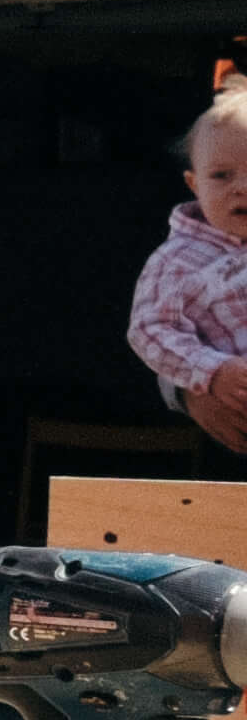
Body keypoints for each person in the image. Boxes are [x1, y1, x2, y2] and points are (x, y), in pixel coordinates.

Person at [127, 83, 247, 453]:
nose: (241, 188)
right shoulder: (178, 260)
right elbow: (150, 329)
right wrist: (210, 373)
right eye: (221, 176)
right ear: (194, 184)